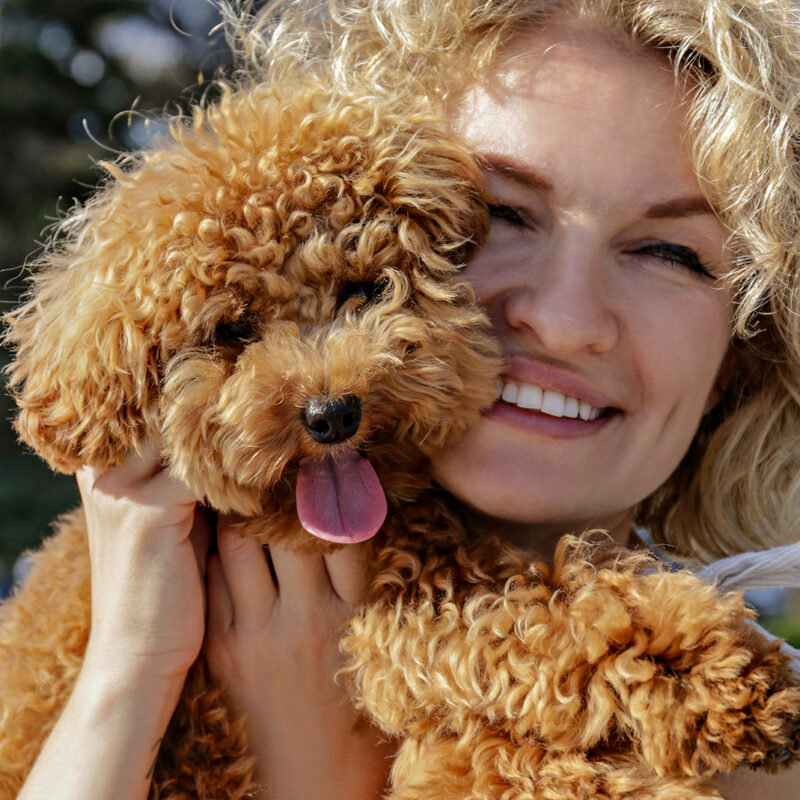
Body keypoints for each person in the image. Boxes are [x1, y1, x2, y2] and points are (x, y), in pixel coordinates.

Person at [14, 0, 800, 798]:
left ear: (747, 348)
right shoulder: (154, 590)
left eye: (669, 251)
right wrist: (128, 669)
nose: (563, 322)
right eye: (500, 213)